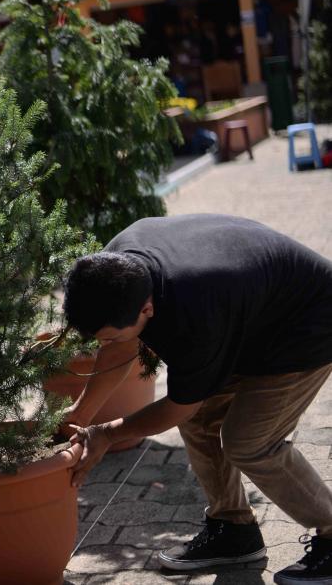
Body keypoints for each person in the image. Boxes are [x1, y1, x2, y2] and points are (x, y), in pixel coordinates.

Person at [61, 214, 332, 585]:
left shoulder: (191, 309)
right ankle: (233, 531)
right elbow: (118, 347)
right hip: (246, 311)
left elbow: (177, 407)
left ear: (147, 310)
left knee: (248, 441)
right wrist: (81, 415)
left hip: (308, 322)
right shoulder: (115, 269)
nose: (102, 344)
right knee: (202, 419)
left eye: (108, 335)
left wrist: (106, 434)